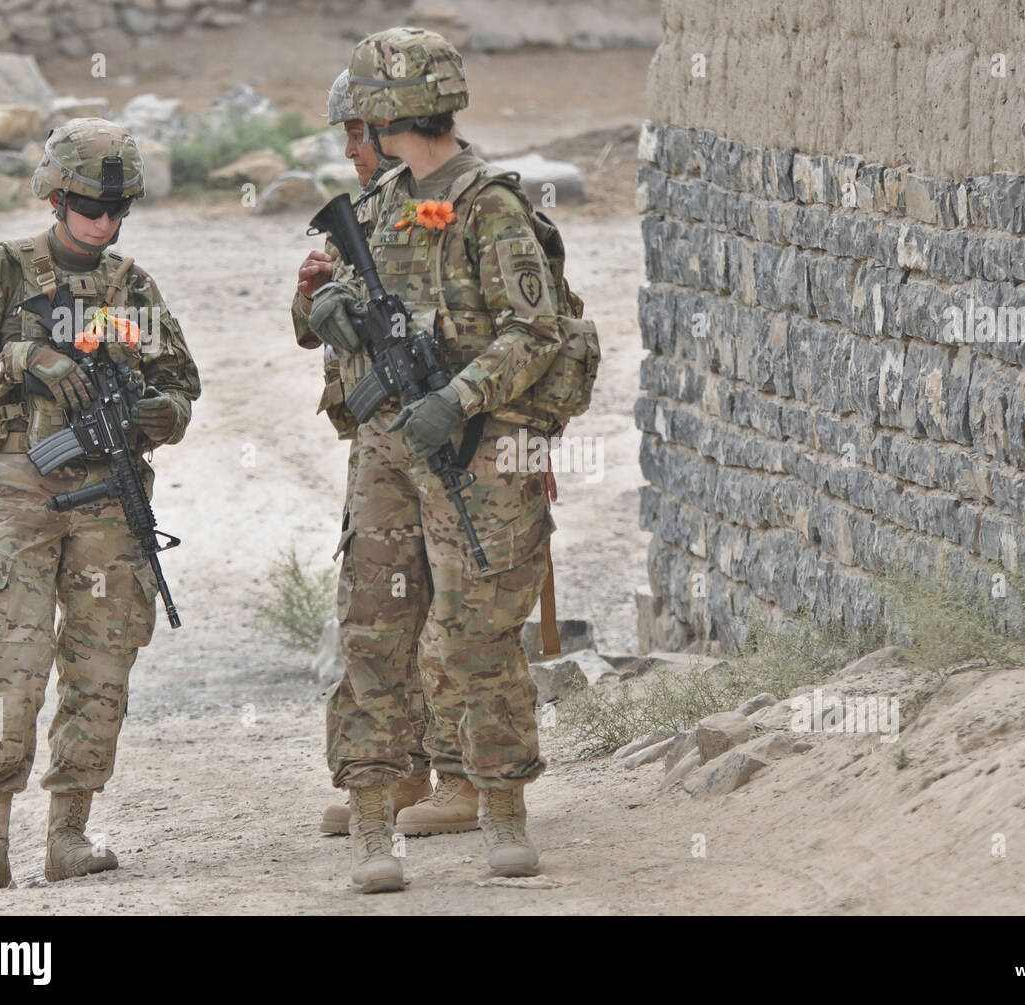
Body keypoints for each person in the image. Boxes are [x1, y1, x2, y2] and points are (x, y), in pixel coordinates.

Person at [311, 25, 569, 893]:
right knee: (374, 631)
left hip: (475, 447)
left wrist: (455, 400)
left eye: (365, 115)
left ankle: (502, 808)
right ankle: (376, 825)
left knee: (477, 632)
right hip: (385, 445)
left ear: (387, 111)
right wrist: (330, 311)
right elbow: (345, 305)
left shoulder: (490, 203)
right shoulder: (384, 203)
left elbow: (534, 332)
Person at [0, 117, 200, 890]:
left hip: (111, 495)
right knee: (6, 662)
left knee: (101, 660)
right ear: (53, 195)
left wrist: (160, 415)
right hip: (19, 488)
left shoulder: (133, 287)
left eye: (117, 209)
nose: (103, 221)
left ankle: (70, 831)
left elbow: (182, 385)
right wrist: (25, 358)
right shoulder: (3, 271)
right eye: (87, 204)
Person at [293, 70, 481, 838]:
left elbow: (488, 314)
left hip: (455, 431)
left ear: (388, 126)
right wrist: (315, 300)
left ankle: (465, 776)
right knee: (379, 608)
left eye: (356, 134)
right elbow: (316, 327)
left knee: (455, 609)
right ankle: (398, 770)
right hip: (381, 443)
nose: (350, 151)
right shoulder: (366, 210)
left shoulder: (458, 199)